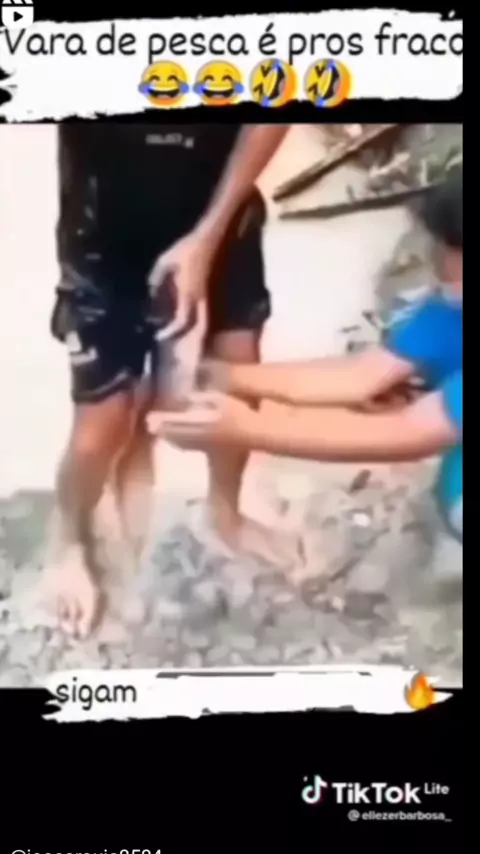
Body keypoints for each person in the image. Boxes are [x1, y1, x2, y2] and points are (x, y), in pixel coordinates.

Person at [45, 123, 295, 638]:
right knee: (102, 423)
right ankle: (68, 540)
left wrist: (207, 238)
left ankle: (224, 511)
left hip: (220, 213)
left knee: (237, 377)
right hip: (105, 232)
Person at [158, 168, 463, 554]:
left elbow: (406, 433)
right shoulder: (451, 307)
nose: (434, 259)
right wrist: (217, 376)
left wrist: (245, 427)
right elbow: (361, 377)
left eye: (447, 251)